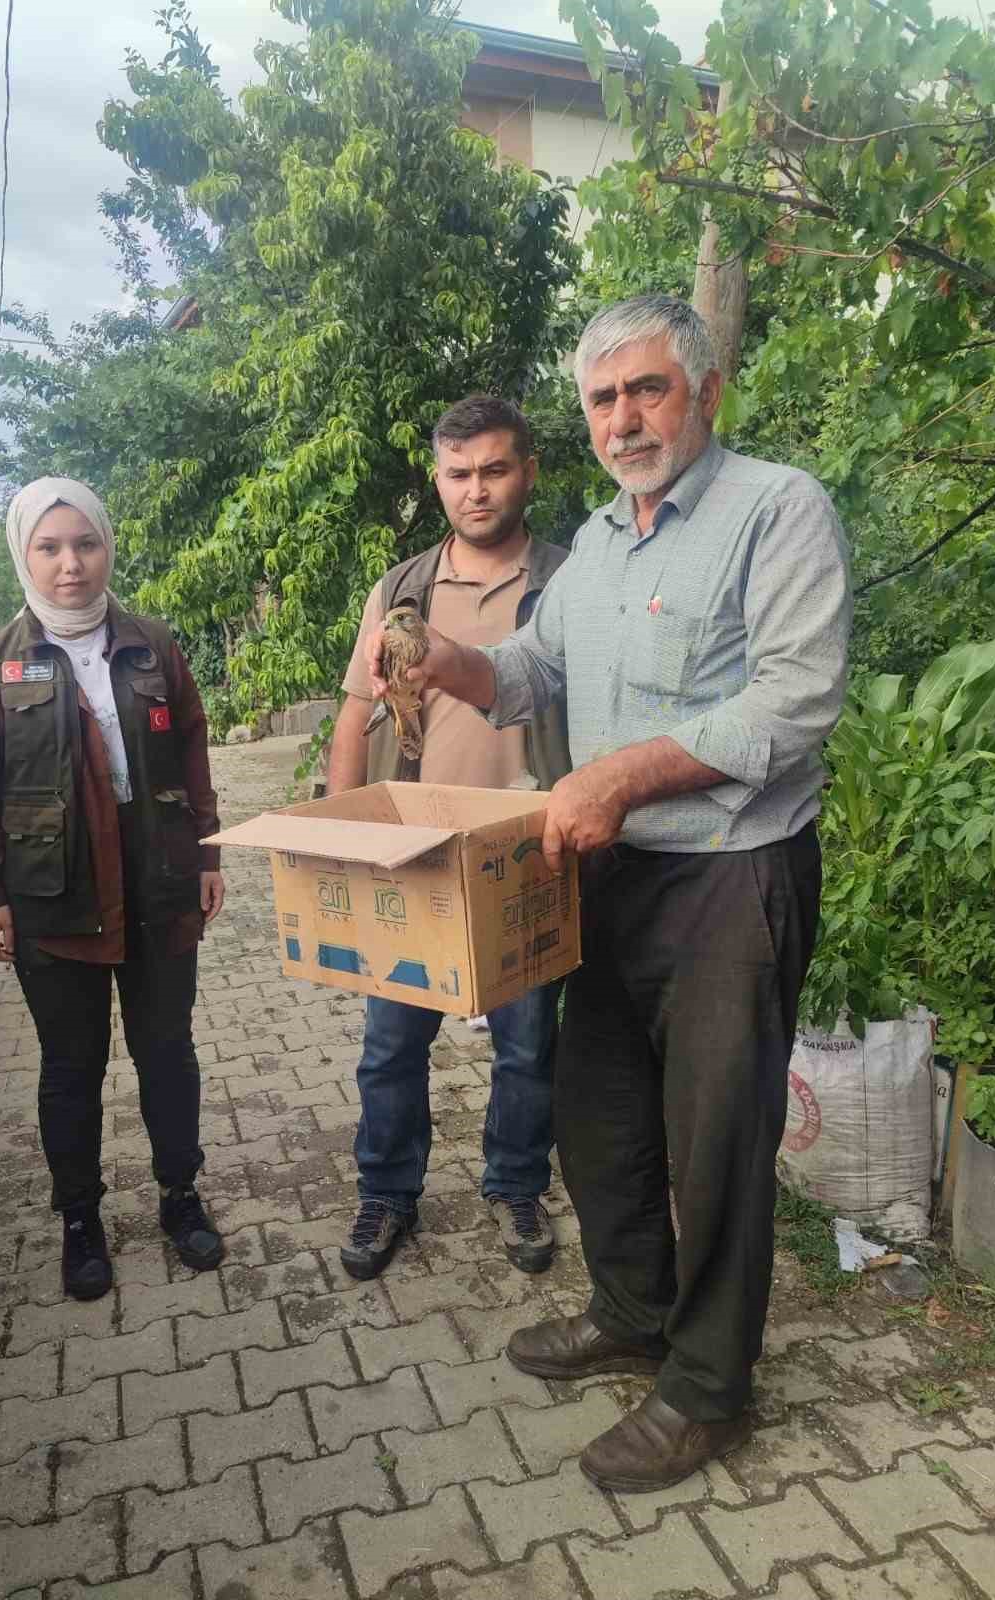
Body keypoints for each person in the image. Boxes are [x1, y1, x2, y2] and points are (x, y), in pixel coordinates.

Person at [366, 297, 852, 1490]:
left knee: (716, 1142)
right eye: (602, 399)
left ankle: (707, 1389)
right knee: (601, 1115)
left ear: (705, 391)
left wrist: (620, 774)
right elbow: (531, 672)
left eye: (647, 390)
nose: (624, 418)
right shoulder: (594, 546)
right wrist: (442, 661)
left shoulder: (776, 509)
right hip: (616, 879)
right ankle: (631, 1310)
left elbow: (793, 703)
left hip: (733, 880)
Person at [0, 477, 226, 1301]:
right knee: (72, 1067)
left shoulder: (153, 643)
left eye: (86, 544)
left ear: (108, 547)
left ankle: (181, 1197)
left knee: (167, 1053)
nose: (71, 565)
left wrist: (208, 856)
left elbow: (196, 756)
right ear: (24, 556)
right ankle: (81, 1222)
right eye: (50, 547)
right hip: (51, 897)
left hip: (159, 884)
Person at [329, 394, 572, 1281]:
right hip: (413, 857)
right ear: (437, 480)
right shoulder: (402, 590)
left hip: (525, 853)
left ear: (529, 471)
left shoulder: (569, 579)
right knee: (392, 1044)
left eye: (495, 469)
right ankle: (387, 1194)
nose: (477, 490)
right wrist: (339, 830)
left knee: (528, 1045)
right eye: (459, 474)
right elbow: (357, 714)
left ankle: (516, 1184)